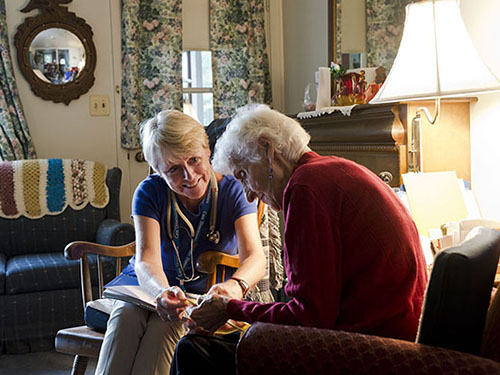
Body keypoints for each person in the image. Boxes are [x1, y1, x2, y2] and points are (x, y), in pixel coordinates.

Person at [169, 104, 428, 375]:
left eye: (244, 176)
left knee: (195, 349)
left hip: (370, 349)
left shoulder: (306, 189)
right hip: (391, 336)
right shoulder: (328, 170)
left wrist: (230, 308)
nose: (247, 195)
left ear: (268, 151)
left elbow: (308, 318)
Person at [95, 110, 266, 375]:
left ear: (207, 150)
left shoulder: (233, 190)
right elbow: (146, 260)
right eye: (174, 169)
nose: (189, 176)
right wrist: (161, 293)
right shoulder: (149, 192)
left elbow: (255, 257)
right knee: (125, 317)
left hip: (201, 294)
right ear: (158, 171)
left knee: (168, 325)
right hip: (149, 288)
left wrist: (235, 285)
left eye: (194, 160)